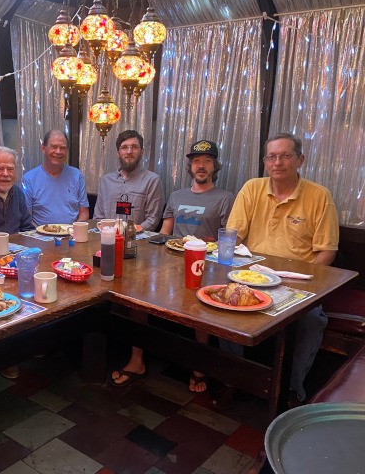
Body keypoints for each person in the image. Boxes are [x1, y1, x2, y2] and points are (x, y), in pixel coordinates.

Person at [111, 140, 235, 390]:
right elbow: (165, 231)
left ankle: (199, 365)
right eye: (197, 161)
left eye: (207, 161)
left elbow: (227, 239)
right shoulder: (177, 196)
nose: (201, 166)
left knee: (200, 302)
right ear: (190, 166)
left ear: (215, 166)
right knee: (136, 291)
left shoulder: (225, 198)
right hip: (169, 262)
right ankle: (137, 359)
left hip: (204, 264)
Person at [226, 132, 339, 407]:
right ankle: (234, 379)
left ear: (300, 159)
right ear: (265, 162)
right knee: (223, 308)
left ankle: (291, 390)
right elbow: (233, 236)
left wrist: (300, 281)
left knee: (311, 321)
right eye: (272, 157)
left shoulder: (319, 195)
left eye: (286, 156)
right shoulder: (252, 188)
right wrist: (226, 261)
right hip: (252, 276)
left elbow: (327, 252)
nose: (278, 163)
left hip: (297, 282)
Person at [94, 130, 164, 231]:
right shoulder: (106, 181)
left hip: (138, 238)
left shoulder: (152, 181)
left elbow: (152, 220)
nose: (129, 151)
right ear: (118, 152)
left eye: (134, 147)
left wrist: (130, 233)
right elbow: (98, 217)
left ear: (142, 151)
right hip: (107, 236)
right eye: (124, 147)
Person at [22, 129, 90, 226]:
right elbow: (26, 218)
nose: (58, 152)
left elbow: (84, 213)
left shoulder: (76, 175)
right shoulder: (29, 179)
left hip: (71, 233)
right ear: (43, 148)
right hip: (39, 233)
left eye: (63, 148)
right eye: (54, 147)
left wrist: (75, 229)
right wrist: (40, 232)